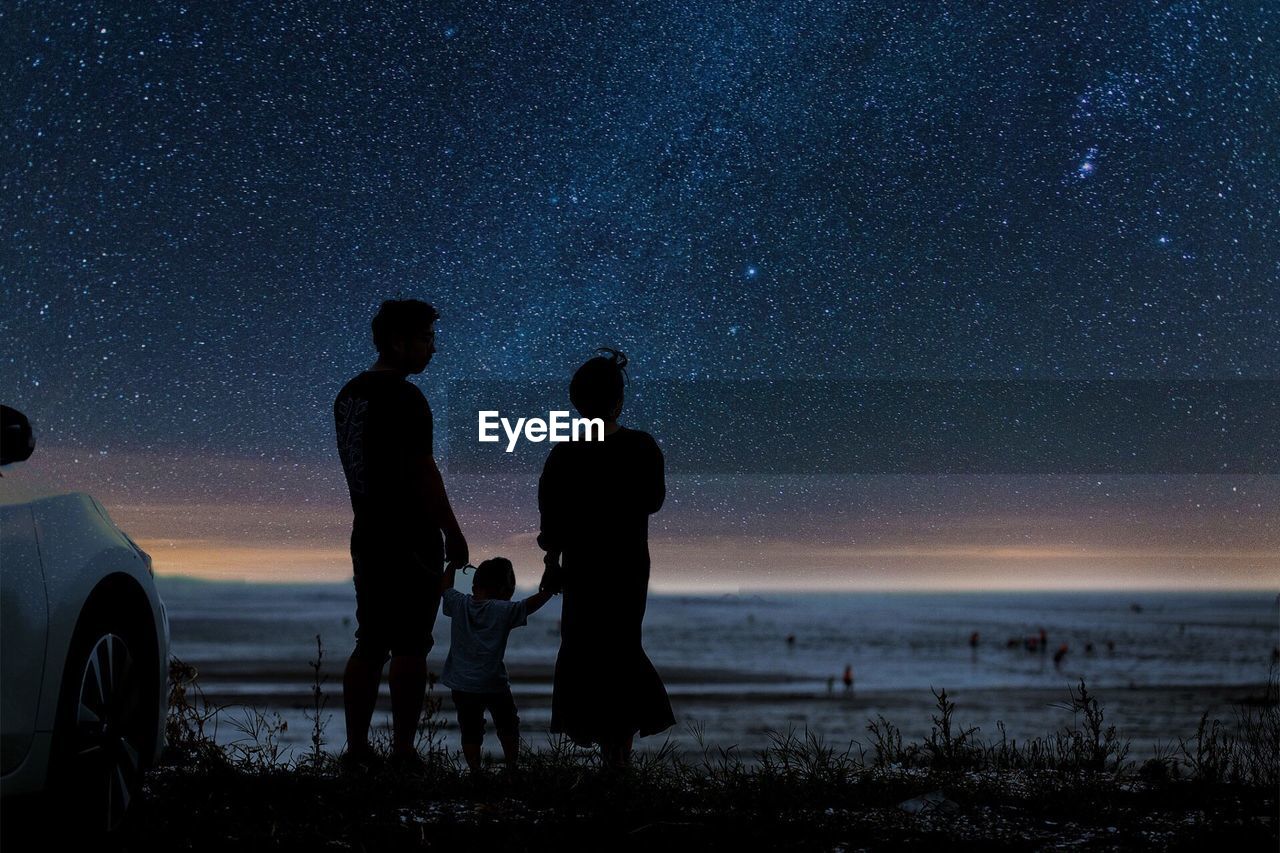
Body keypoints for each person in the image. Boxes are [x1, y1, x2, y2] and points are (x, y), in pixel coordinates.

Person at [334, 299, 468, 770]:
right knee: (411, 643)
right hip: (410, 535)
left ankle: (357, 749)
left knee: (370, 639)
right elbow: (423, 472)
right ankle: (404, 752)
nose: (433, 349)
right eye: (427, 339)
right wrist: (452, 531)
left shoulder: (350, 394)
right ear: (399, 341)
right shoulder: (406, 398)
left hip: (367, 531)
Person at [537, 348, 675, 768]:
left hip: (582, 566)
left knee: (585, 649)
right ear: (618, 400)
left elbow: (552, 520)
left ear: (578, 404)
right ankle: (619, 754)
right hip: (628, 563)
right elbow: (653, 501)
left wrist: (552, 564)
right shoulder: (640, 446)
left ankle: (607, 751)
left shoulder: (564, 453)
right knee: (621, 647)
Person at [440, 557, 553, 773]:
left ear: (475, 586)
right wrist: (548, 592)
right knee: (508, 724)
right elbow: (528, 606)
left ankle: (475, 771)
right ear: (505, 590)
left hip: (461, 684)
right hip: (493, 683)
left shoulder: (460, 603)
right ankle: (511, 767)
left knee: (470, 730)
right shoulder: (502, 610)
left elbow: (445, 588)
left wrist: (452, 565)